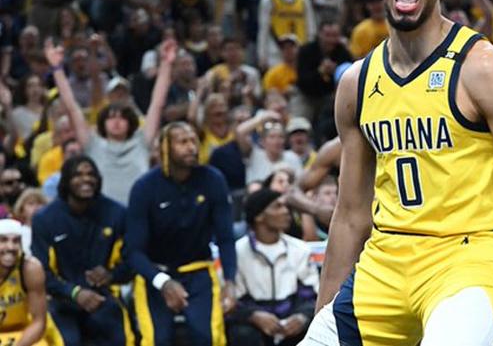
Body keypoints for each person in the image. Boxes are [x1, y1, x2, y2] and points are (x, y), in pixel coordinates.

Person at [300, 0, 493, 346]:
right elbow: (350, 214)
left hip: (467, 260)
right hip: (384, 264)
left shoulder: (485, 68)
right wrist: (323, 314)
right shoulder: (357, 83)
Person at [126, 122, 236, 346]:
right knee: (156, 340)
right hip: (155, 273)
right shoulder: (144, 187)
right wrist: (163, 283)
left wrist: (230, 281)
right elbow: (133, 251)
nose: (191, 147)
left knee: (210, 338)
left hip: (198, 270)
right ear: (165, 147)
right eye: (183, 142)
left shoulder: (213, 179)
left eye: (194, 141)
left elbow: (225, 237)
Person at [45, 38, 175, 205]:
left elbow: (157, 104)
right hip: (102, 215)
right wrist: (57, 68)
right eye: (111, 117)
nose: (116, 122)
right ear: (103, 123)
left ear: (130, 122)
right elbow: (71, 107)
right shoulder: (92, 144)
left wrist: (166, 64)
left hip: (137, 213)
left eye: (122, 118)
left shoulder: (142, 141)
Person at [31, 156, 133, 346]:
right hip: (61, 300)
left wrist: (111, 275)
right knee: (67, 341)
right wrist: (74, 292)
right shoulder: (45, 219)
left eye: (91, 174)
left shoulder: (117, 213)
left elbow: (131, 260)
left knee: (121, 339)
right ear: (66, 180)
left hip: (104, 297)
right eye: (78, 175)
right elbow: (41, 272)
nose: (86, 179)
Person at [227, 189, 319, 346]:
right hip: (254, 326)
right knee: (242, 333)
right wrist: (254, 315)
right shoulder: (237, 252)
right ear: (259, 216)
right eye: (277, 206)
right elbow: (233, 301)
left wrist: (301, 317)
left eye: (285, 206)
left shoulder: (300, 249)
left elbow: (312, 294)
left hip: (291, 322)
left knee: (312, 328)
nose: (286, 211)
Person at [0, 219, 47, 346]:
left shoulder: (30, 268)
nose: (10, 247)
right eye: (3, 240)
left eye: (16, 241)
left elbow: (39, 322)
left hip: (24, 333)